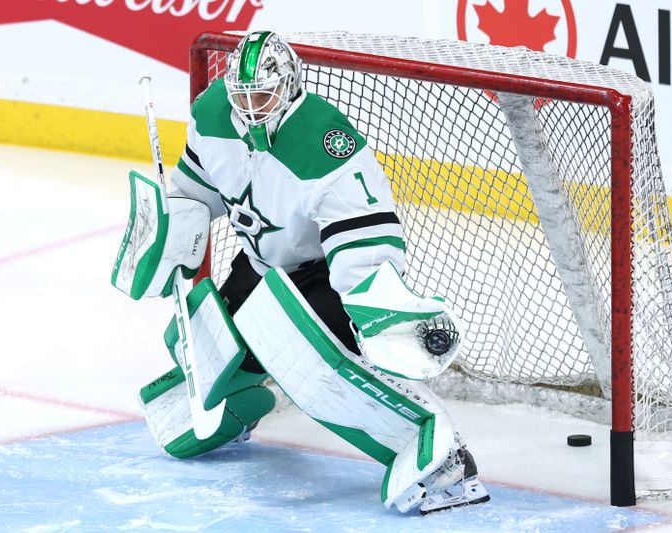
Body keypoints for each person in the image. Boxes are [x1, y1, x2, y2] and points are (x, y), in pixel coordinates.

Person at [117, 31, 489, 515]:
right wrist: (171, 230)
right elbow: (199, 189)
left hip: (317, 275)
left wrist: (368, 305)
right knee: (210, 352)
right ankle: (241, 408)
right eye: (242, 96)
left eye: (263, 95)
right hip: (258, 264)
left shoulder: (325, 141)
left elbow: (363, 237)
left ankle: (447, 459)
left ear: (290, 87)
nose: (251, 108)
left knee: (312, 370)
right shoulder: (212, 114)